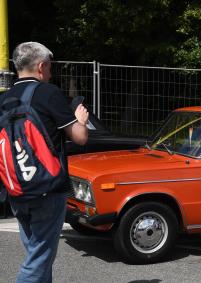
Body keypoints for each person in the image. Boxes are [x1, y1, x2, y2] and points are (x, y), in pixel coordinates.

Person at [0, 42, 89, 283]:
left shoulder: (4, 99)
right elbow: (79, 138)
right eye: (49, 67)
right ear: (41, 67)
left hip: (16, 190)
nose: (50, 73)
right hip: (48, 190)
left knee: (37, 254)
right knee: (39, 259)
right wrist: (79, 119)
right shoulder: (49, 93)